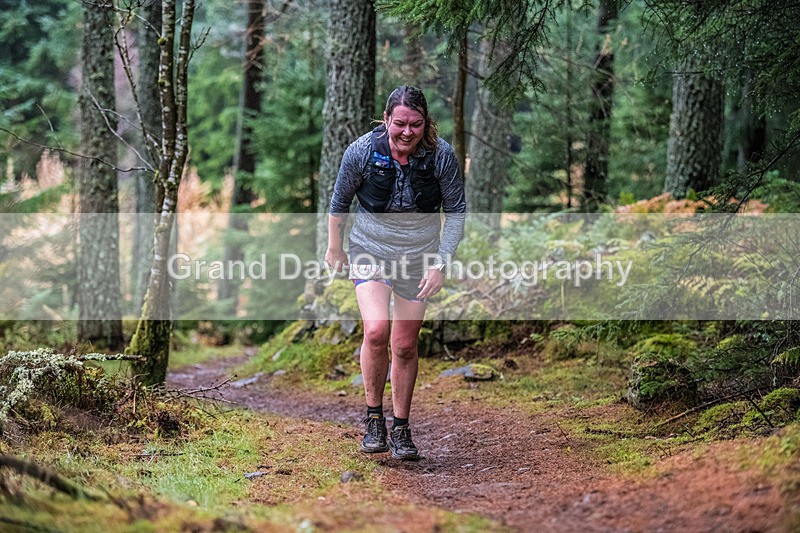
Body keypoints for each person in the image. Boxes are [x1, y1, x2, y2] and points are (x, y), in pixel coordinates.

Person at [325, 85, 466, 460]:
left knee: (404, 345)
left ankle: (401, 427)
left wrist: (440, 263)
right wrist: (334, 246)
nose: (407, 132)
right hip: (370, 248)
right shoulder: (362, 151)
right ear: (386, 119)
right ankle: (374, 418)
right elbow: (338, 202)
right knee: (375, 330)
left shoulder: (441, 156)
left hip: (419, 256)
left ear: (426, 123)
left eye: (416, 124)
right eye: (400, 123)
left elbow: (456, 212)